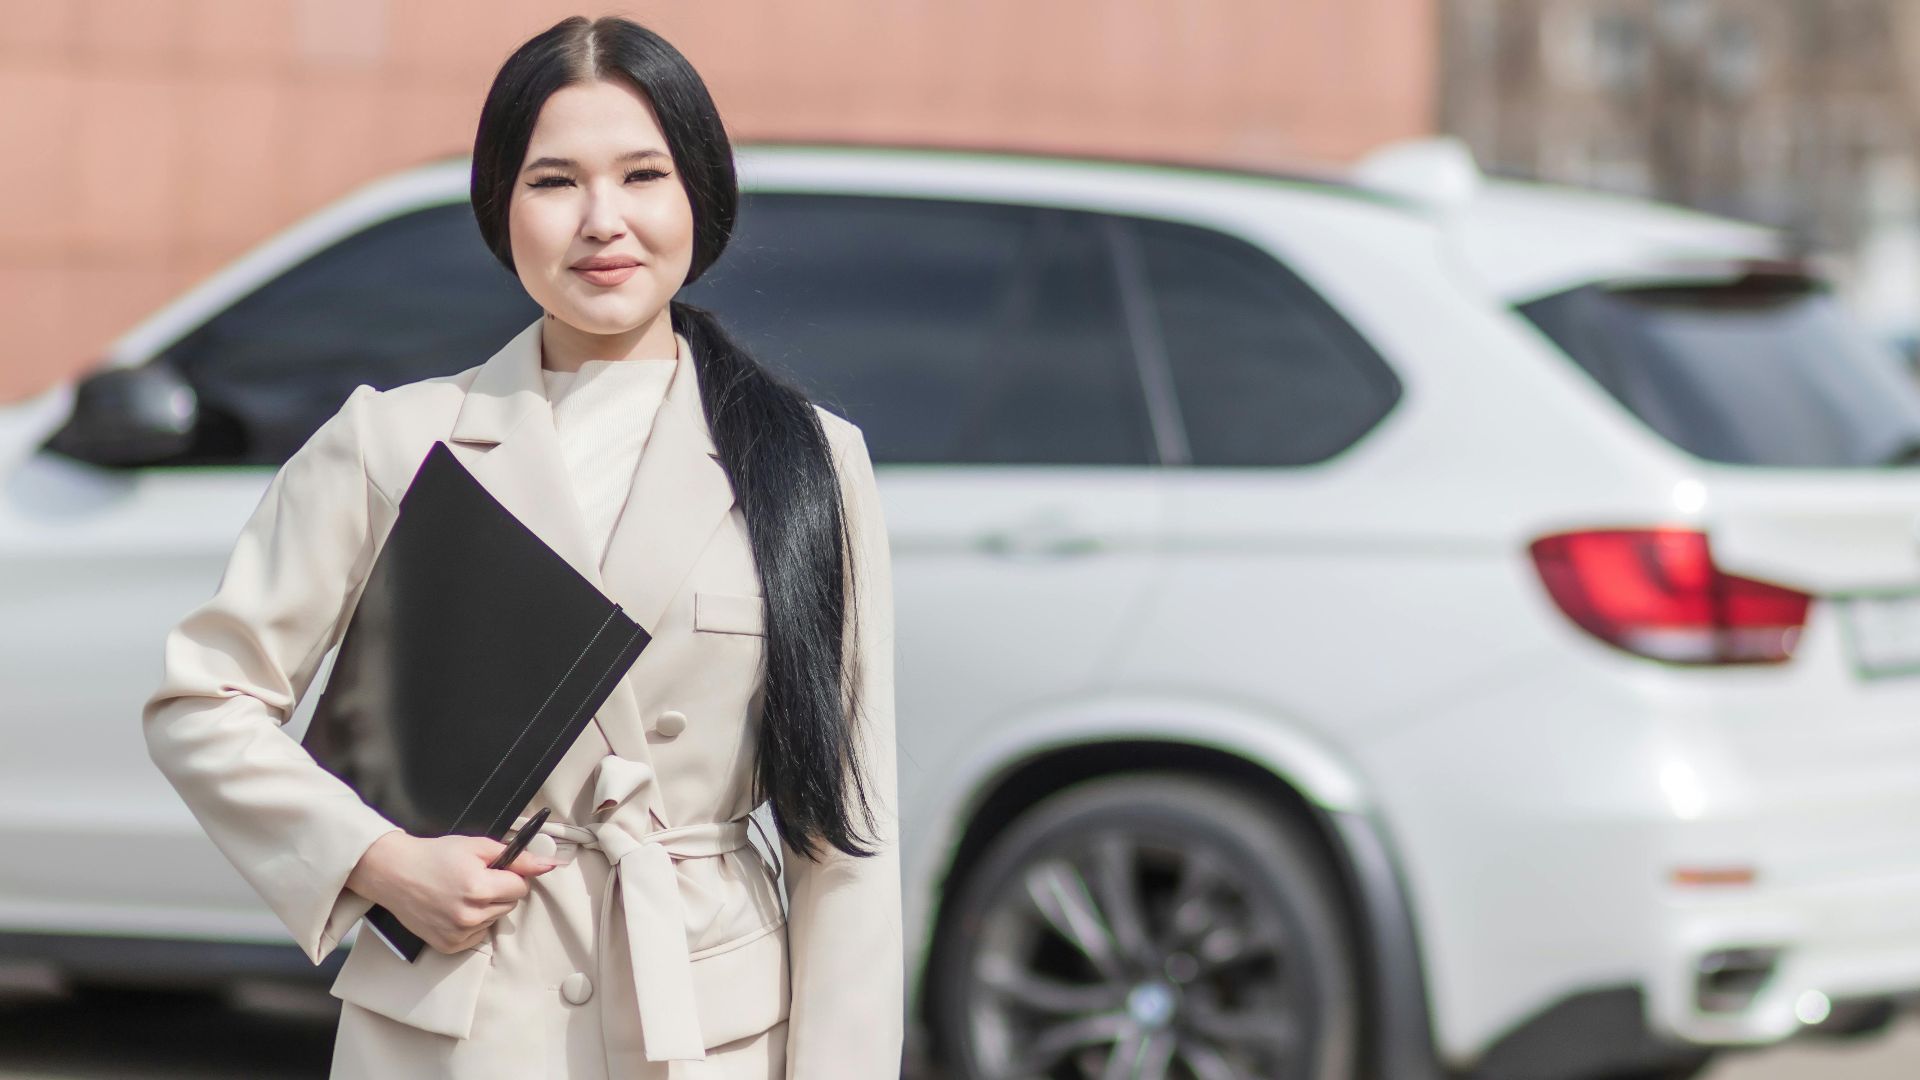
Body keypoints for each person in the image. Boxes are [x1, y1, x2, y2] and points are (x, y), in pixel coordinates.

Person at [139, 14, 901, 1079]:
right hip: (455, 1023)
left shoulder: (811, 461)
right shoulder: (394, 443)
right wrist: (381, 861)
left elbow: (848, 843)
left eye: (644, 175)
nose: (603, 221)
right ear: (501, 206)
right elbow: (204, 700)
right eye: (555, 182)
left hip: (711, 1028)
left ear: (700, 198)